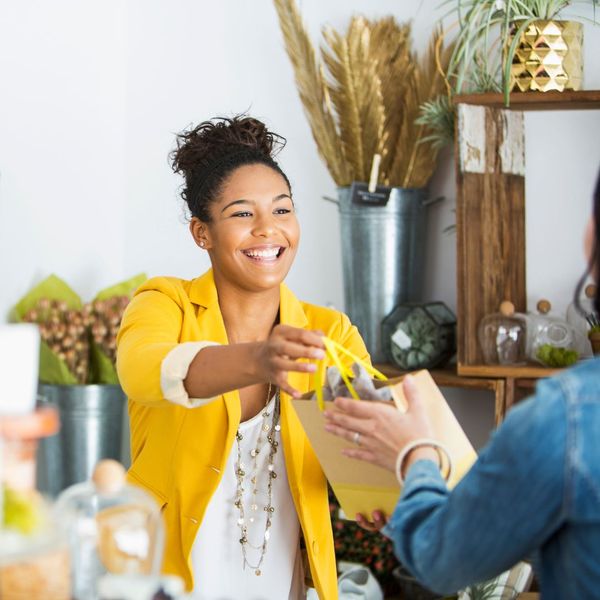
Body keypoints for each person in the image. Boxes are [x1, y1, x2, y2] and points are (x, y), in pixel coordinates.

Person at [116, 115, 369, 600]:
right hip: (162, 580)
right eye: (241, 214)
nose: (268, 230)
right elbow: (142, 371)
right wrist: (258, 361)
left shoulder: (329, 332)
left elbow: (368, 455)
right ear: (201, 232)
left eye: (282, 210)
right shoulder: (164, 302)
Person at [323, 171, 600, 598]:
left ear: (591, 236)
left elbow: (444, 561)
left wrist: (415, 453)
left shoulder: (564, 419)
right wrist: (410, 505)